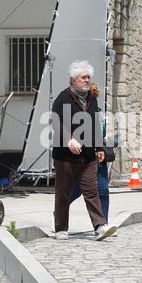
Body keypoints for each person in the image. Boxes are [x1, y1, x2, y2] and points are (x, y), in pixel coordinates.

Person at [51, 60, 117, 241]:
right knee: (63, 193)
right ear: (74, 80)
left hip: (88, 156)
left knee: (92, 191)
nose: (87, 80)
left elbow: (95, 124)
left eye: (89, 77)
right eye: (83, 77)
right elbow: (56, 122)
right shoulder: (62, 98)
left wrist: (99, 148)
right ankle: (61, 228)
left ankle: (100, 227)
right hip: (65, 157)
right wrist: (69, 139)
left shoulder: (91, 98)